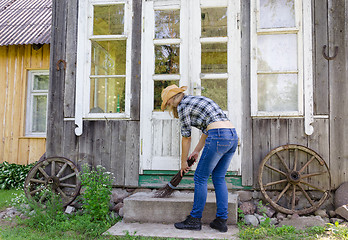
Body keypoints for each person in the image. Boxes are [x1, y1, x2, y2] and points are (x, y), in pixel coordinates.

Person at [161, 84, 238, 232]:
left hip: (219, 136)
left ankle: (194, 220)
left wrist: (183, 162)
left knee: (200, 177)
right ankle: (221, 221)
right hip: (232, 136)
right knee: (219, 177)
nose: (169, 106)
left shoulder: (183, 106)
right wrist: (197, 151)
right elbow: (209, 128)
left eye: (168, 102)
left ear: (172, 98)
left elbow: (186, 138)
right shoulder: (198, 100)